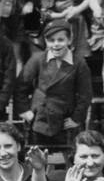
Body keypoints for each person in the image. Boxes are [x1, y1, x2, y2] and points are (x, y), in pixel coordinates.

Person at [16, 20, 92, 152]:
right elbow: (20, 86)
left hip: (65, 122)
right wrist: (25, 111)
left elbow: (85, 94)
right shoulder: (38, 59)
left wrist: (76, 118)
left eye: (61, 40)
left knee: (66, 161)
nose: (56, 44)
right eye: (51, 40)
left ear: (69, 40)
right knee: (37, 158)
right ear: (46, 41)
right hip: (39, 120)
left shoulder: (78, 63)